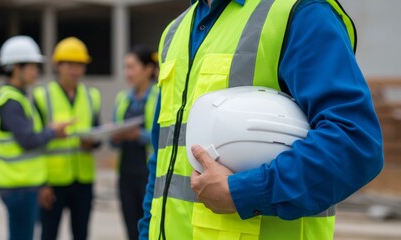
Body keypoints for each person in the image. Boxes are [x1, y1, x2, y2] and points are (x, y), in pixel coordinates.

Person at [139, 0, 384, 239]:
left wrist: (243, 192)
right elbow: (162, 158)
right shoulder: (175, 31)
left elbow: (355, 143)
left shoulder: (300, 12)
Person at [0, 36, 71, 240]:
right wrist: (52, 132)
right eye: (33, 66)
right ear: (16, 67)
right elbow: (27, 140)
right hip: (17, 185)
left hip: (24, 184)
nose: (36, 71)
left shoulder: (21, 97)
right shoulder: (10, 101)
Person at [33, 37, 101, 240]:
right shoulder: (41, 96)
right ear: (58, 66)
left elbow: (98, 132)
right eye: (70, 64)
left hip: (83, 180)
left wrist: (93, 142)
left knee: (81, 234)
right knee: (48, 234)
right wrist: (41, 183)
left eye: (80, 65)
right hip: (52, 182)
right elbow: (34, 143)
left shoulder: (92, 96)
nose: (75, 70)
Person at [111, 46, 159, 240]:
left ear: (148, 69)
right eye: (125, 67)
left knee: (150, 227)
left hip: (149, 173)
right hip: (126, 173)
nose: (127, 73)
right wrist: (114, 136)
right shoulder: (122, 99)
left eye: (132, 67)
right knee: (131, 228)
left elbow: (164, 136)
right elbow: (114, 141)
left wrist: (138, 135)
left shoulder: (159, 96)